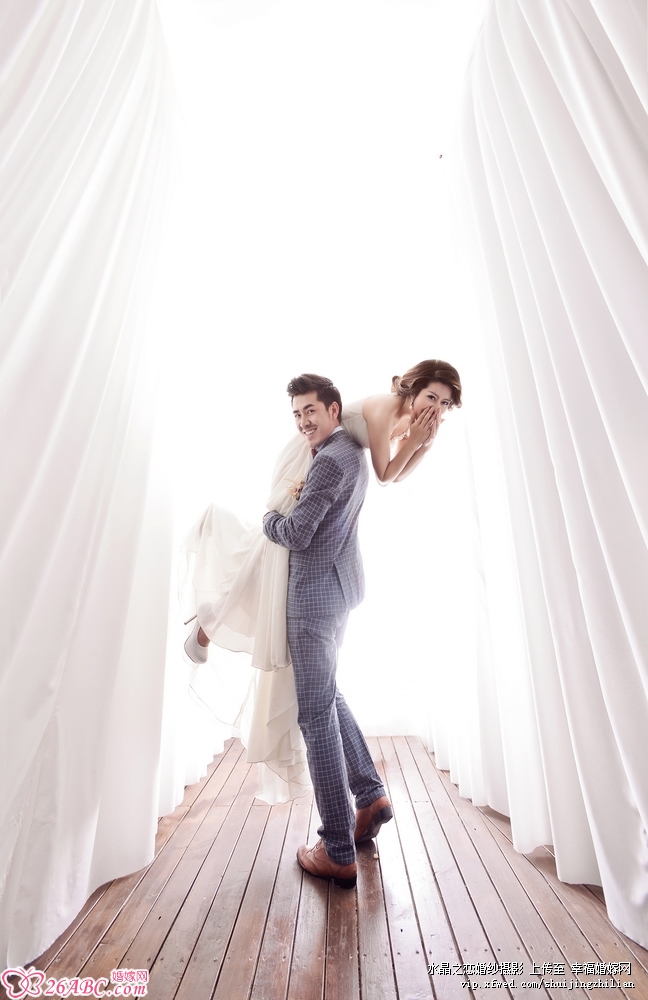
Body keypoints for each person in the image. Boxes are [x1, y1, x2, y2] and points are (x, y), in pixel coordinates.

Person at [182, 360, 462, 803]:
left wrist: (423, 443)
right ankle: (370, 795)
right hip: (318, 493)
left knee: (315, 705)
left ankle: (346, 822)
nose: (435, 409)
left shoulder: (362, 446)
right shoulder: (381, 414)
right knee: (269, 559)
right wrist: (417, 441)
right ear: (412, 389)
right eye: (431, 397)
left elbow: (389, 475)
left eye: (444, 404)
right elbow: (386, 473)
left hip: (321, 585)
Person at [263, 374, 390, 887]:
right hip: (339, 590)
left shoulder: (331, 460)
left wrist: (269, 518)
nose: (303, 422)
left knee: (315, 717)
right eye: (296, 414)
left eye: (310, 411)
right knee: (328, 696)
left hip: (315, 600)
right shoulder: (352, 452)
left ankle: (337, 848)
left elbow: (296, 532)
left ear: (334, 410)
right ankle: (370, 796)